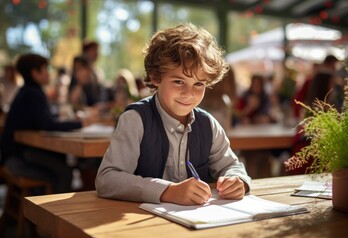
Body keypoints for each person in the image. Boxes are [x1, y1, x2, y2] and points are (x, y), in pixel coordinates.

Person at [95, 23, 251, 206]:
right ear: (155, 77)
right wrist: (167, 191)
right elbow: (107, 179)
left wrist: (236, 180)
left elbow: (230, 165)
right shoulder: (135, 120)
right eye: (179, 81)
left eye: (199, 84)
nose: (189, 93)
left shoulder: (209, 124)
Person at [0, 53, 96, 193]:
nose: (49, 73)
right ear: (35, 73)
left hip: (14, 155)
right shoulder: (32, 93)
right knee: (64, 172)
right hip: (18, 160)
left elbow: (41, 119)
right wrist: (81, 124)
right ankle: (56, 212)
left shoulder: (28, 91)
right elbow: (48, 125)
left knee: (62, 163)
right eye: (46, 69)